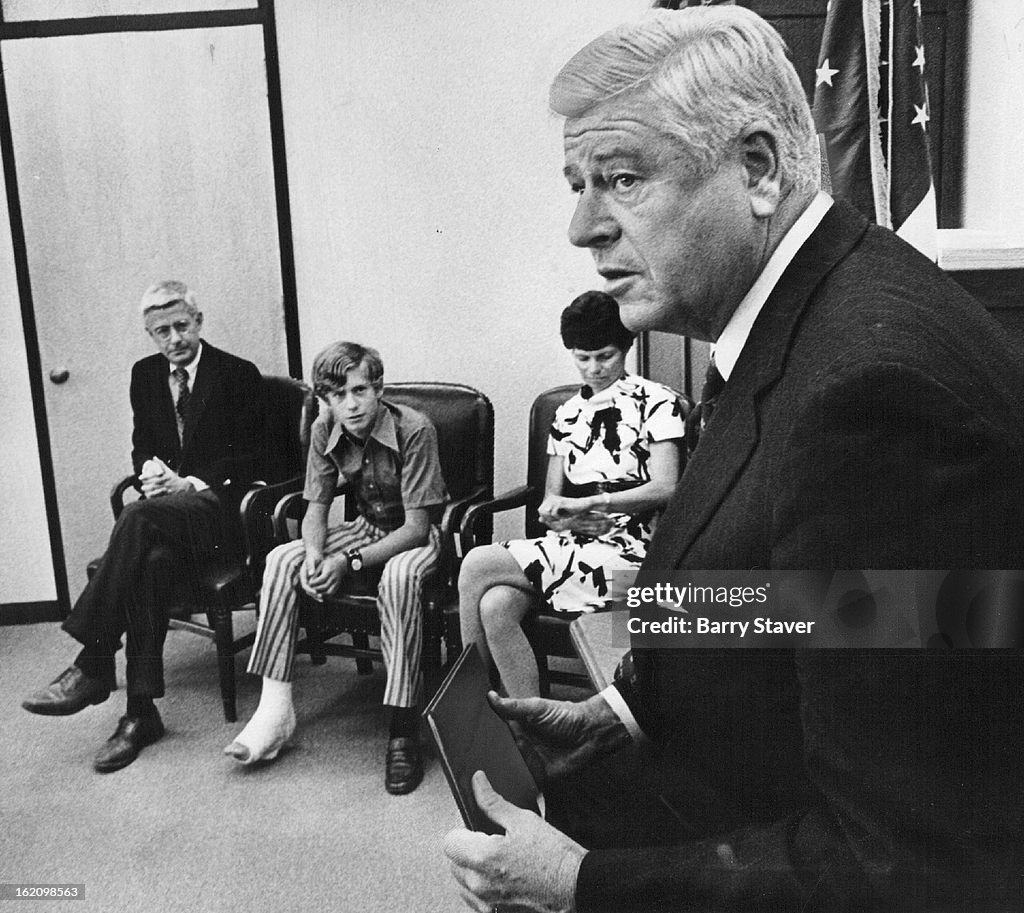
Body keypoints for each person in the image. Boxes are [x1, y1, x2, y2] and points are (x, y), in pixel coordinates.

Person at [443, 7, 1024, 912]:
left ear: (756, 169)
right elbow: (813, 601)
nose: (582, 228)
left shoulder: (869, 398)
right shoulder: (812, 313)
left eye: (621, 178)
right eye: (576, 183)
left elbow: (910, 867)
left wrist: (580, 884)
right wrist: (626, 707)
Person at [22, 280, 264, 772]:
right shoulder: (145, 375)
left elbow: (261, 455)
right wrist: (150, 471)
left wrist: (191, 483)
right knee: (148, 560)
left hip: (222, 516)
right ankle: (139, 714)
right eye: (161, 332)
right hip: (166, 522)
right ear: (150, 335)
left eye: (180, 326)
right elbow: (142, 444)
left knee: (135, 517)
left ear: (198, 322)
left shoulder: (238, 374)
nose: (173, 339)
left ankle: (93, 660)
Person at [225, 341, 448, 795]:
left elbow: (416, 527)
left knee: (400, 577)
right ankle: (275, 708)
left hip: (418, 537)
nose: (351, 404)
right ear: (324, 399)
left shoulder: (415, 429)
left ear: (378, 388)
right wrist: (312, 555)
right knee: (280, 558)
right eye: (337, 395)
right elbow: (316, 508)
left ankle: (403, 727)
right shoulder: (326, 426)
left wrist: (344, 562)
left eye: (359, 390)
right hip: (366, 527)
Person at [458, 290, 683, 697]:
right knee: (495, 606)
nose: (594, 368)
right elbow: (548, 502)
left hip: (638, 554)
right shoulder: (566, 415)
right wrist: (563, 515)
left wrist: (597, 502)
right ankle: (533, 724)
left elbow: (668, 487)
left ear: (626, 347)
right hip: (579, 542)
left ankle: (469, 700)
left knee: (477, 563)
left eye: (605, 356)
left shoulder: (659, 402)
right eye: (583, 358)